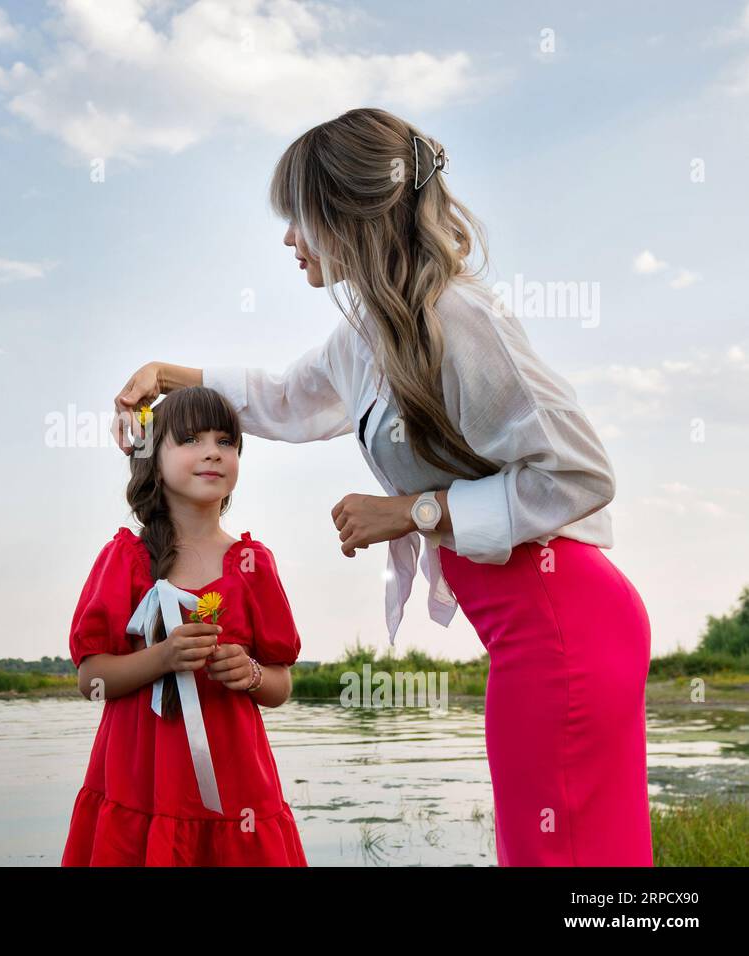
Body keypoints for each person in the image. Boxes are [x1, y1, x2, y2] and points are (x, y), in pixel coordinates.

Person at [110, 107, 652, 866]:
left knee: (558, 856)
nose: (289, 239)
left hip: (564, 623)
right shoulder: (370, 326)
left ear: (346, 213)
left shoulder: (458, 320)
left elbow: (582, 475)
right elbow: (286, 395)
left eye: (298, 217)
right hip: (531, 628)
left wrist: (411, 512)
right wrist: (169, 376)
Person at [61, 386, 308, 866]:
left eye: (226, 441)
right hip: (142, 782)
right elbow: (90, 680)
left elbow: (280, 684)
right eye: (191, 438)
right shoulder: (125, 560)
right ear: (154, 458)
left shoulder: (253, 565)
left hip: (236, 786)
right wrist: (164, 657)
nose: (213, 451)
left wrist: (251, 673)